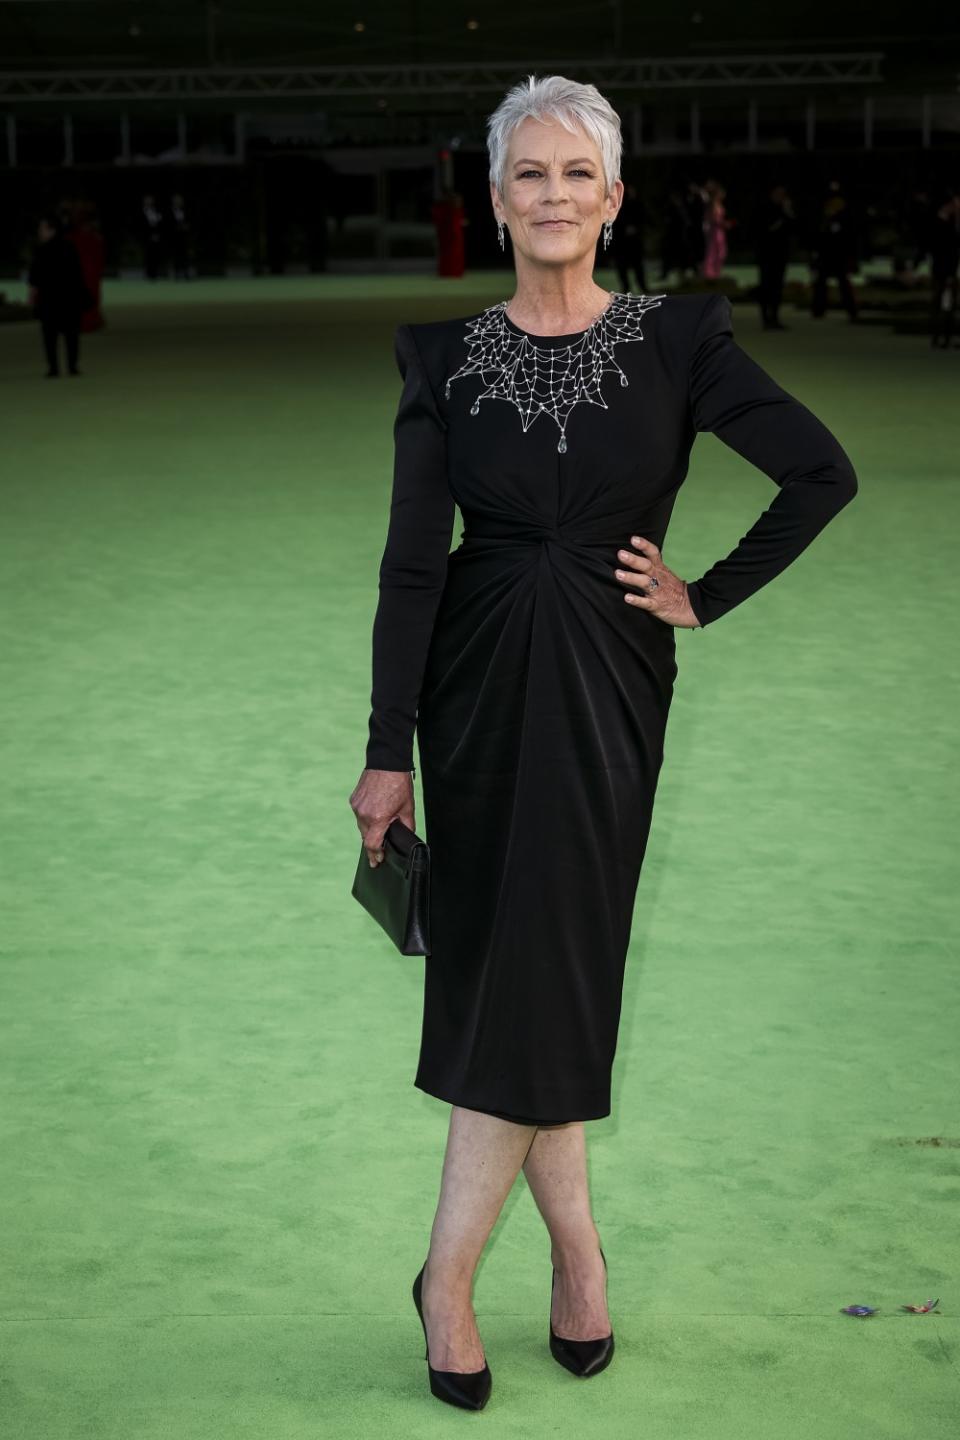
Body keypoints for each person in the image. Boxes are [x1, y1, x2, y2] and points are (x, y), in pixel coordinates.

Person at [349, 72, 858, 1412]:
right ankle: (559, 1259)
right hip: (473, 693)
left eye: (580, 174)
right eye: (532, 174)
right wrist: (386, 748)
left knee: (553, 962)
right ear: (496, 198)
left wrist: (709, 592)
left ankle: (456, 1269)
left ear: (616, 197)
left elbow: (822, 472)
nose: (556, 196)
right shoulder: (442, 360)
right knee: (523, 970)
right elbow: (412, 570)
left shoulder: (681, 340)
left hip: (611, 685)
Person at [27, 212, 92, 378]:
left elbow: (34, 277)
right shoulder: (68, 247)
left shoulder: (42, 250)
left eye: (42, 228)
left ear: (52, 230)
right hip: (69, 298)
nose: (40, 232)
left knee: (50, 336)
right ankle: (72, 366)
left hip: (51, 299)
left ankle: (54, 367)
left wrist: (32, 296)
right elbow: (78, 274)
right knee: (71, 335)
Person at [810, 179, 859, 321]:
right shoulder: (824, 217)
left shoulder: (846, 217)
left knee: (844, 283)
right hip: (825, 255)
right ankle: (818, 309)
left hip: (840, 255)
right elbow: (818, 236)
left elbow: (850, 237)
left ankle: (851, 310)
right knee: (821, 283)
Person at [754, 183, 796, 329]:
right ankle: (766, 318)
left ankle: (775, 317)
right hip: (766, 254)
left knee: (777, 287)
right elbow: (762, 231)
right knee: (766, 286)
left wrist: (787, 212)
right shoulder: (765, 209)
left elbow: (793, 228)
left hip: (780, 254)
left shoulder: (785, 211)